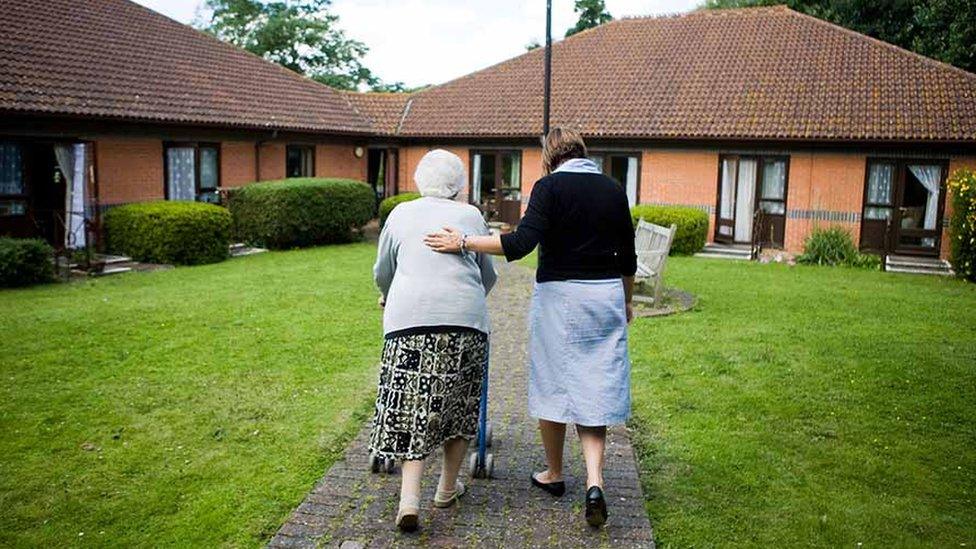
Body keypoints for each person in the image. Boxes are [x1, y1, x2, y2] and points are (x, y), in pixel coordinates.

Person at [424, 127, 636, 528]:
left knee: (554, 381)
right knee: (593, 386)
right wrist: (625, 300)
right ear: (582, 152)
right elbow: (628, 255)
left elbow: (521, 243)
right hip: (605, 295)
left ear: (550, 155)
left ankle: (554, 473)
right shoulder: (613, 188)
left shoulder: (549, 187)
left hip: (561, 298)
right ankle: (594, 481)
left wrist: (464, 242)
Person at [370, 149, 497, 532]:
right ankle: (445, 489)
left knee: (412, 409)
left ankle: (409, 499)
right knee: (458, 408)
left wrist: (387, 293)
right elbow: (487, 275)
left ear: (418, 182)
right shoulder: (472, 215)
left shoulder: (399, 215)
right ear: (459, 186)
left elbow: (383, 271)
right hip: (464, 323)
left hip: (408, 323)